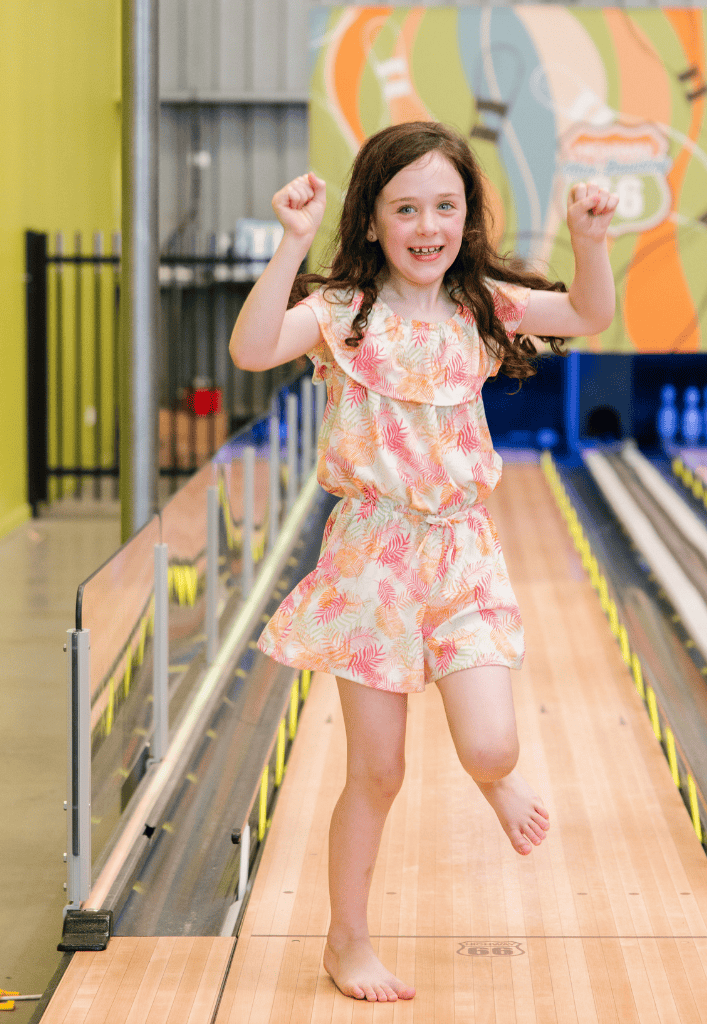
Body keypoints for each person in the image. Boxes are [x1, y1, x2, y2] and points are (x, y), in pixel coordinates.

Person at [229, 121, 618, 1002]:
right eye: (406, 208)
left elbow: (589, 313)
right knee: (378, 770)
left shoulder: (481, 304)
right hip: (371, 558)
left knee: (492, 742)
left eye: (445, 206)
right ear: (371, 221)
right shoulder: (341, 316)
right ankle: (347, 941)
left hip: (460, 550)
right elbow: (251, 350)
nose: (427, 224)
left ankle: (494, 783)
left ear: (466, 217)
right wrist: (293, 244)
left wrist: (590, 242)